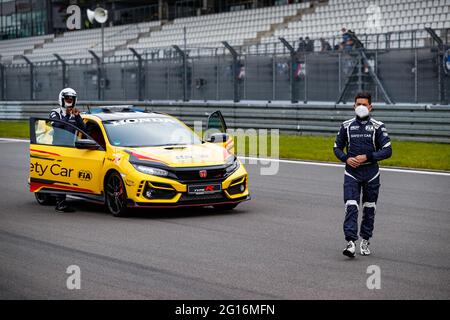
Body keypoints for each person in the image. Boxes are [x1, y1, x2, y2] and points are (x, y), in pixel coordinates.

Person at [333, 91, 392, 258]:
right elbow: (336, 148)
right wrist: (346, 158)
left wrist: (368, 156)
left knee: (369, 208)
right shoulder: (346, 125)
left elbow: (388, 151)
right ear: (353, 106)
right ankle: (350, 243)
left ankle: (365, 239)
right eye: (358, 104)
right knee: (351, 205)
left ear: (370, 107)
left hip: (371, 173)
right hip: (352, 173)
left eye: (364, 104)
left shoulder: (378, 126)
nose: (361, 107)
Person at [49, 88, 86, 213]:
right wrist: (68, 115)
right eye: (67, 98)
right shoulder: (55, 112)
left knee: (70, 175)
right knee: (62, 175)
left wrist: (77, 116)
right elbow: (58, 125)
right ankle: (60, 203)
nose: (69, 101)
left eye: (71, 99)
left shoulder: (75, 113)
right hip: (58, 148)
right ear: (62, 99)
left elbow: (84, 129)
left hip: (72, 148)